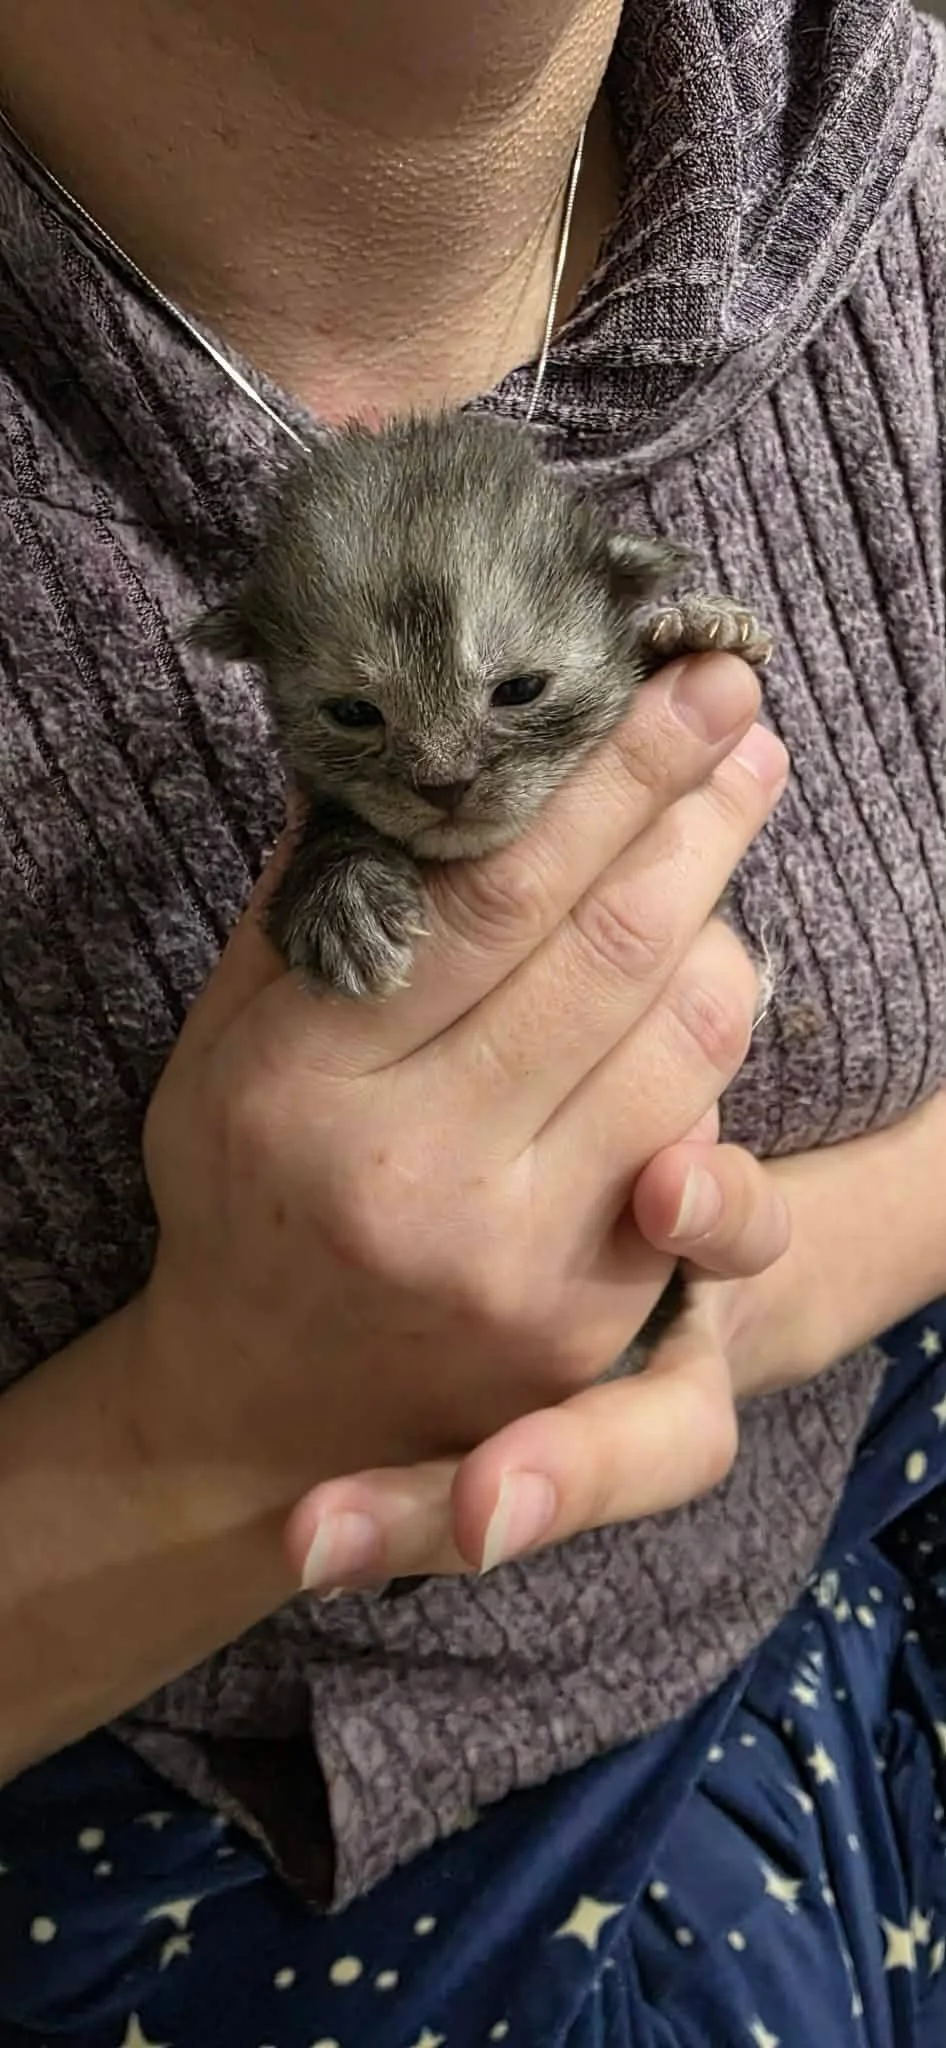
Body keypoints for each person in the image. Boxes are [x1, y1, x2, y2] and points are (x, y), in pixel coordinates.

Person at [0, 0, 944, 2042]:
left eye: (509, 705)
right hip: (202, 1810)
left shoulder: (894, 141)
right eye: (355, 726)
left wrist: (732, 1310)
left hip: (839, 1507)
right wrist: (200, 1426)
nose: (435, 775)